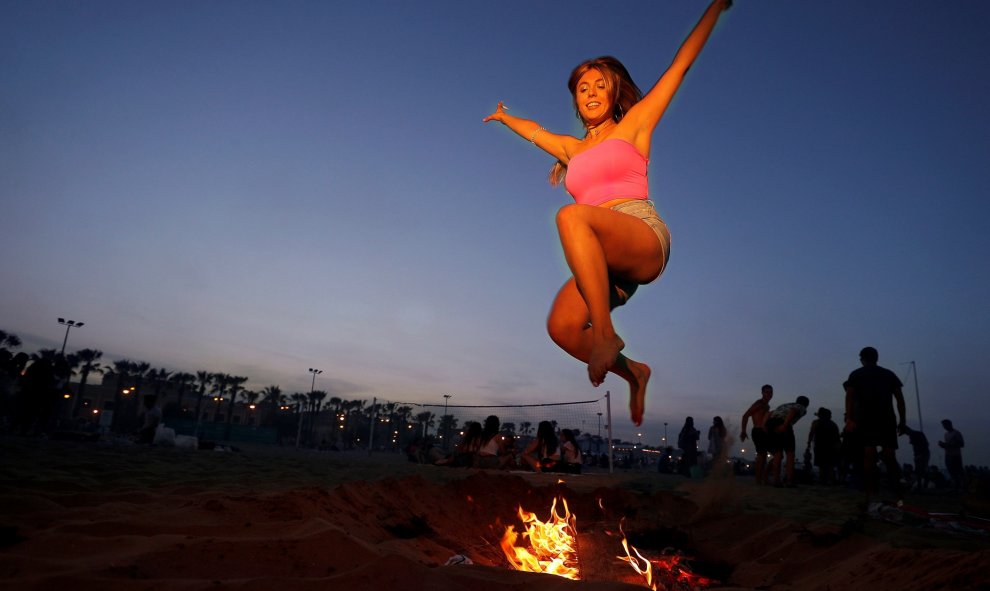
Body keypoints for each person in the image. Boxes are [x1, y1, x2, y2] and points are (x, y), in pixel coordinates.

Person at [483, 0, 732, 426]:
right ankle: (634, 371)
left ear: (614, 91)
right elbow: (536, 132)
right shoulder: (573, 149)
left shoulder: (634, 125)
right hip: (602, 260)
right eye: (583, 88)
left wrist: (715, 7)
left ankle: (604, 336)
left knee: (570, 216)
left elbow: (680, 65)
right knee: (561, 328)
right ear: (576, 102)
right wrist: (506, 118)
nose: (592, 93)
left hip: (640, 235)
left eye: (600, 85)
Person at [845, 346, 907, 501]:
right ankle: (897, 492)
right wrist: (903, 421)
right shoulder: (889, 374)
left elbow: (849, 397)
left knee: (869, 455)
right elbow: (900, 399)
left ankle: (871, 492)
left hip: (865, 418)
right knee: (889, 456)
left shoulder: (856, 374)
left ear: (862, 359)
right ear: (876, 358)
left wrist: (849, 419)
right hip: (887, 418)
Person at [765, 395, 810, 487]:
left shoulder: (785, 405)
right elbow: (793, 411)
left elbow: (769, 413)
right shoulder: (801, 407)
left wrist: (764, 427)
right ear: (806, 405)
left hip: (770, 424)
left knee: (778, 452)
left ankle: (776, 480)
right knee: (790, 453)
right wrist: (785, 425)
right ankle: (789, 481)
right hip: (783, 423)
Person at [740, 384, 773, 485]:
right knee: (761, 456)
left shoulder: (767, 405)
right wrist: (743, 431)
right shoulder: (759, 403)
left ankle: (763, 478)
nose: (769, 394)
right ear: (762, 393)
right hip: (758, 431)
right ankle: (759, 479)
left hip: (764, 432)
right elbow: (746, 415)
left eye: (771, 392)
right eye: (767, 392)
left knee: (767, 456)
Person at [806, 407, 840, 485]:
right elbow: (837, 439)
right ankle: (831, 480)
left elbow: (811, 433)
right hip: (830, 447)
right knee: (830, 465)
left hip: (820, 447)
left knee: (822, 465)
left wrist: (808, 443)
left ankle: (823, 481)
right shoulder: (833, 424)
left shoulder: (816, 423)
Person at [899, 425, 930, 492]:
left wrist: (921, 454)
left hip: (922, 454)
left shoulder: (917, 434)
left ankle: (923, 486)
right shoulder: (913, 435)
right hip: (918, 454)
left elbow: (925, 444)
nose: (906, 434)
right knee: (919, 471)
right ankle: (920, 486)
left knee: (922, 470)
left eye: (905, 433)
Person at [938, 419, 965, 491]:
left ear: (949, 425)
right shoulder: (946, 434)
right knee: (951, 471)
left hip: (955, 455)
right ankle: (955, 486)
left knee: (957, 471)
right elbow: (948, 445)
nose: (944, 427)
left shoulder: (957, 433)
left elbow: (961, 444)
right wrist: (943, 445)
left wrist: (948, 445)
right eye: (943, 426)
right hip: (948, 455)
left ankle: (961, 487)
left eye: (945, 425)